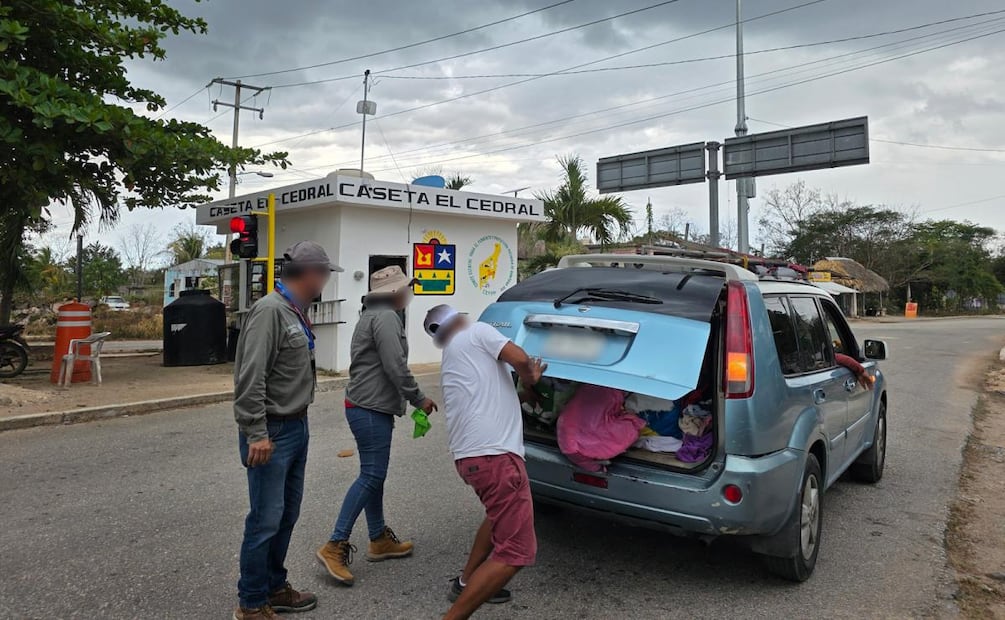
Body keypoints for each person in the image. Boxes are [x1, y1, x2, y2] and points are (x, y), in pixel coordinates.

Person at [233, 241, 342, 620]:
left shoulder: (295, 310)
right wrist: (256, 433)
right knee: (264, 519)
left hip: (297, 424)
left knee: (286, 514)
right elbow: (250, 379)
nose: (327, 280)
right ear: (310, 274)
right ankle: (250, 603)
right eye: (325, 273)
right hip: (272, 431)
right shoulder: (270, 312)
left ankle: (274, 588)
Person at [422, 304, 547, 620]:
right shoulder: (477, 331)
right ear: (460, 319)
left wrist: (520, 396)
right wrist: (531, 378)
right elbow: (521, 359)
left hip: (471, 459)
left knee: (496, 517)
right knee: (517, 551)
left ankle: (466, 581)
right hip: (497, 457)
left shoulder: (453, 355)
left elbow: (484, 395)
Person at [317, 265, 437, 586]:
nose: (408, 294)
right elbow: (396, 367)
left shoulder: (371, 315)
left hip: (365, 405)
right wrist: (419, 398)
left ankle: (378, 538)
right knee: (372, 475)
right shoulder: (385, 318)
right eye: (406, 289)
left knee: (374, 474)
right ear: (395, 292)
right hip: (369, 408)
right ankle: (335, 544)